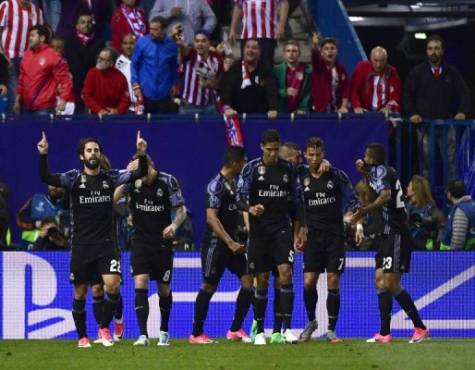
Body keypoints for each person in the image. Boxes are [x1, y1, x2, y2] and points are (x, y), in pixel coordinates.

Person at [37, 130, 148, 348]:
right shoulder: (72, 179)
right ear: (82, 156)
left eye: (96, 150)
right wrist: (43, 154)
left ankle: (104, 327)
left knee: (112, 287)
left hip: (107, 245)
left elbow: (139, 173)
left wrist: (142, 153)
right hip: (81, 246)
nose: (93, 153)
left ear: (100, 155)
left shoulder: (111, 177)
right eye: (89, 150)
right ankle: (82, 337)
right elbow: (46, 178)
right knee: (80, 291)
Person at [350, 143, 429, 344]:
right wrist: (365, 173)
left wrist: (364, 211)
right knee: (379, 279)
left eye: (366, 156)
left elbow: (385, 196)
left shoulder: (382, 171)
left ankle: (420, 327)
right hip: (385, 235)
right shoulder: (377, 172)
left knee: (391, 283)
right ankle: (384, 333)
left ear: (372, 158)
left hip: (396, 234)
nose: (364, 158)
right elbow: (375, 190)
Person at [236, 129, 306, 345]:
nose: (274, 154)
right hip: (259, 232)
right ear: (261, 148)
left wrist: (300, 230)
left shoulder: (288, 169)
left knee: (285, 274)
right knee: (262, 280)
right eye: (269, 150)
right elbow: (239, 197)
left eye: (276, 150)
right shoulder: (251, 169)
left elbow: (297, 202)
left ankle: (285, 330)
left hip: (281, 230)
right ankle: (259, 331)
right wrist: (250, 208)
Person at [114, 154, 187, 346]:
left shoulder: (168, 181)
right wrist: (127, 175)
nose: (141, 176)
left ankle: (164, 331)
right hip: (140, 241)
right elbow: (113, 199)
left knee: (164, 290)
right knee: (141, 281)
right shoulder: (133, 181)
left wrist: (174, 226)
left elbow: (181, 210)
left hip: (162, 242)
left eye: (141, 171)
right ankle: (143, 335)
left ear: (151, 166)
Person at [298, 137, 363, 343]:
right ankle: (311, 322)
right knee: (309, 282)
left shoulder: (336, 175)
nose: (315, 158)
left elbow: (353, 201)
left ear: (323, 154)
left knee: (333, 280)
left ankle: (332, 329)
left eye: (318, 154)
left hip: (335, 235)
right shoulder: (300, 176)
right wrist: (299, 232)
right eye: (311, 155)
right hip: (313, 237)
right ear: (305, 155)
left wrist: (353, 220)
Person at [190, 146, 254, 344]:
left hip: (232, 244)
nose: (244, 165)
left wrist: (251, 209)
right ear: (235, 163)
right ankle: (196, 334)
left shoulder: (232, 184)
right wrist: (230, 242)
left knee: (248, 282)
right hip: (216, 245)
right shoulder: (215, 185)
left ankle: (235, 329)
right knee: (209, 285)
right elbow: (211, 218)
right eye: (243, 162)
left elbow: (237, 205)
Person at [403, 35, 470, 180]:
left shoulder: (451, 71)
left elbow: (464, 92)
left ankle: (453, 198)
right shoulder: (417, 72)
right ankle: (426, 199)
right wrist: (412, 113)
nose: (434, 52)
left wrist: (462, 111)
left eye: (437, 48)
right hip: (424, 126)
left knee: (451, 163)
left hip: (446, 123)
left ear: (442, 51)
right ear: (426, 51)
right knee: (426, 163)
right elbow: (407, 94)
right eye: (430, 49)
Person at [14, 25, 73, 115]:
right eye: (29, 36)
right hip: (25, 107)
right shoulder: (26, 54)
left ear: (42, 38)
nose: (29, 38)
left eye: (33, 36)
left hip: (44, 108)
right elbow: (21, 79)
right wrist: (17, 100)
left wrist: (63, 100)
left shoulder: (53, 55)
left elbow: (65, 80)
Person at [0, 0, 44, 111]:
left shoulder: (37, 12)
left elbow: (41, 38)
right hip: (9, 59)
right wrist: (3, 56)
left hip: (29, 63)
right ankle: (12, 126)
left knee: (27, 99)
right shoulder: (6, 5)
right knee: (14, 98)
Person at [220, 39, 278, 119]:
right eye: (247, 47)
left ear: (260, 52)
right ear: (243, 50)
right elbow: (226, 90)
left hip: (259, 117)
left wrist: (273, 108)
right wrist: (227, 107)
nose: (250, 50)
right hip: (237, 116)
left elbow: (271, 90)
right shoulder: (235, 68)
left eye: (254, 48)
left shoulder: (266, 70)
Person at [131, 16, 179, 114]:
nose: (151, 32)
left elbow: (174, 66)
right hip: (145, 92)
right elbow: (134, 64)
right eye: (150, 29)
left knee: (163, 126)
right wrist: (135, 85)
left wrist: (174, 83)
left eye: (155, 29)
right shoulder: (142, 42)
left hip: (164, 93)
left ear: (164, 30)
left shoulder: (172, 45)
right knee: (145, 125)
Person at [64, 12, 105, 113]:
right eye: (82, 22)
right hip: (76, 85)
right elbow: (73, 64)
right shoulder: (70, 41)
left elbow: (97, 64)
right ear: (77, 26)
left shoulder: (99, 42)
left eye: (89, 22)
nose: (86, 24)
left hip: (94, 84)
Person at [176, 29, 223, 114]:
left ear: (209, 43)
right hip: (188, 106)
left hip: (210, 107)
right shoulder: (190, 54)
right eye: (197, 41)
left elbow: (217, 82)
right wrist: (177, 33)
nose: (200, 44)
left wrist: (209, 82)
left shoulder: (216, 59)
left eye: (203, 41)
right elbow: (182, 44)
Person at [229, 0, 288, 67]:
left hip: (267, 35)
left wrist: (281, 25)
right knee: (246, 66)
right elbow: (238, 6)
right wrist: (232, 29)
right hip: (247, 34)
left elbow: (284, 3)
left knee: (266, 66)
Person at [350, 46, 401, 114]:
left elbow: (396, 94)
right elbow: (353, 90)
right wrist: (357, 106)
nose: (378, 65)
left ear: (386, 59)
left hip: (383, 114)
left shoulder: (392, 72)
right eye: (375, 60)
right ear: (370, 57)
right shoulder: (362, 67)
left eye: (382, 61)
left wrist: (389, 107)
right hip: (364, 112)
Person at [82, 47, 131, 115]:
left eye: (102, 59)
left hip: (114, 117)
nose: (98, 60)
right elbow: (86, 95)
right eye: (99, 57)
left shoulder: (121, 78)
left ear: (111, 63)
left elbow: (125, 100)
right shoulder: (91, 73)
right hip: (94, 115)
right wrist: (99, 110)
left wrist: (117, 111)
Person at [310, 33, 349, 113]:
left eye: (332, 48)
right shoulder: (318, 66)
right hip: (320, 111)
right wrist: (314, 45)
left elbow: (345, 89)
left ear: (337, 52)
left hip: (337, 111)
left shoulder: (341, 69)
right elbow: (315, 56)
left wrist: (344, 106)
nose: (329, 51)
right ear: (322, 53)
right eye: (326, 49)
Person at [149, 0, 216, 45]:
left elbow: (211, 17)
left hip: (192, 46)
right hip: (168, 45)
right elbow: (152, 18)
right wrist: (169, 13)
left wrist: (204, 32)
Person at [406, 175, 445, 250]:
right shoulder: (407, 206)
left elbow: (440, 227)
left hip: (424, 252)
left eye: (409, 186)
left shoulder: (430, 209)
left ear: (415, 189)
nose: (407, 188)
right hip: (407, 250)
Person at [273, 40, 311, 113]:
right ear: (284, 54)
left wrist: (303, 108)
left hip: (300, 113)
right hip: (282, 112)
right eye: (288, 51)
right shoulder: (276, 70)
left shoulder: (308, 70)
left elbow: (308, 92)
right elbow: (272, 91)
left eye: (294, 51)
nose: (291, 54)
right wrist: (285, 92)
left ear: (299, 53)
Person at [441, 180, 475, 250]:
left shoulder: (461, 211)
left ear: (449, 194)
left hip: (462, 258)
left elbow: (457, 241)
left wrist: (452, 257)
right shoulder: (472, 205)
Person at [116, 33, 138, 113]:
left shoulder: (144, 62)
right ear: (121, 45)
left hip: (143, 107)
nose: (128, 47)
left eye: (131, 43)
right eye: (125, 43)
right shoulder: (116, 64)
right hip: (124, 109)